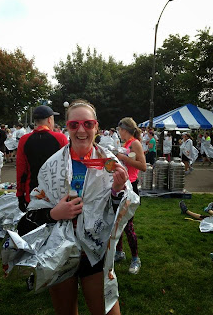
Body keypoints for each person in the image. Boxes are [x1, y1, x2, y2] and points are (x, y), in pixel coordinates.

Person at [17, 100, 138, 315]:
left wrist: (117, 190)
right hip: (60, 253)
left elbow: (123, 209)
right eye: (74, 125)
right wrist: (54, 213)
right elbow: (29, 218)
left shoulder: (110, 163)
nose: (81, 130)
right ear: (66, 127)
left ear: (96, 127)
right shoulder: (52, 166)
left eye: (88, 124)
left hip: (95, 253)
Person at [16, 105, 68, 215]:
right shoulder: (60, 138)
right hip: (55, 192)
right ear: (50, 120)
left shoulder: (24, 140)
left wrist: (20, 195)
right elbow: (67, 167)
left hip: (32, 191)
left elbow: (21, 170)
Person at [115, 118, 146, 274]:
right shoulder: (127, 144)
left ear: (124, 129)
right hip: (123, 186)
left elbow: (143, 166)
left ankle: (135, 259)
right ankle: (119, 252)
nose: (118, 132)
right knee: (118, 221)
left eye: (119, 129)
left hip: (131, 188)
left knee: (128, 225)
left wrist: (123, 158)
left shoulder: (135, 143)